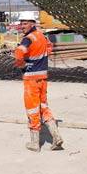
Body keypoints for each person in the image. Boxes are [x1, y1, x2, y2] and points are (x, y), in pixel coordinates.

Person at [14, 12, 63, 152]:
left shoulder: (28, 38)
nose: (22, 26)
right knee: (44, 107)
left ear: (32, 23)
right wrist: (38, 58)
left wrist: (22, 64)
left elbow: (19, 53)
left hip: (31, 79)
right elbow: (49, 47)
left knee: (32, 110)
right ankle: (56, 136)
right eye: (21, 23)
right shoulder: (42, 36)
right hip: (43, 78)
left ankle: (35, 143)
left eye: (24, 23)